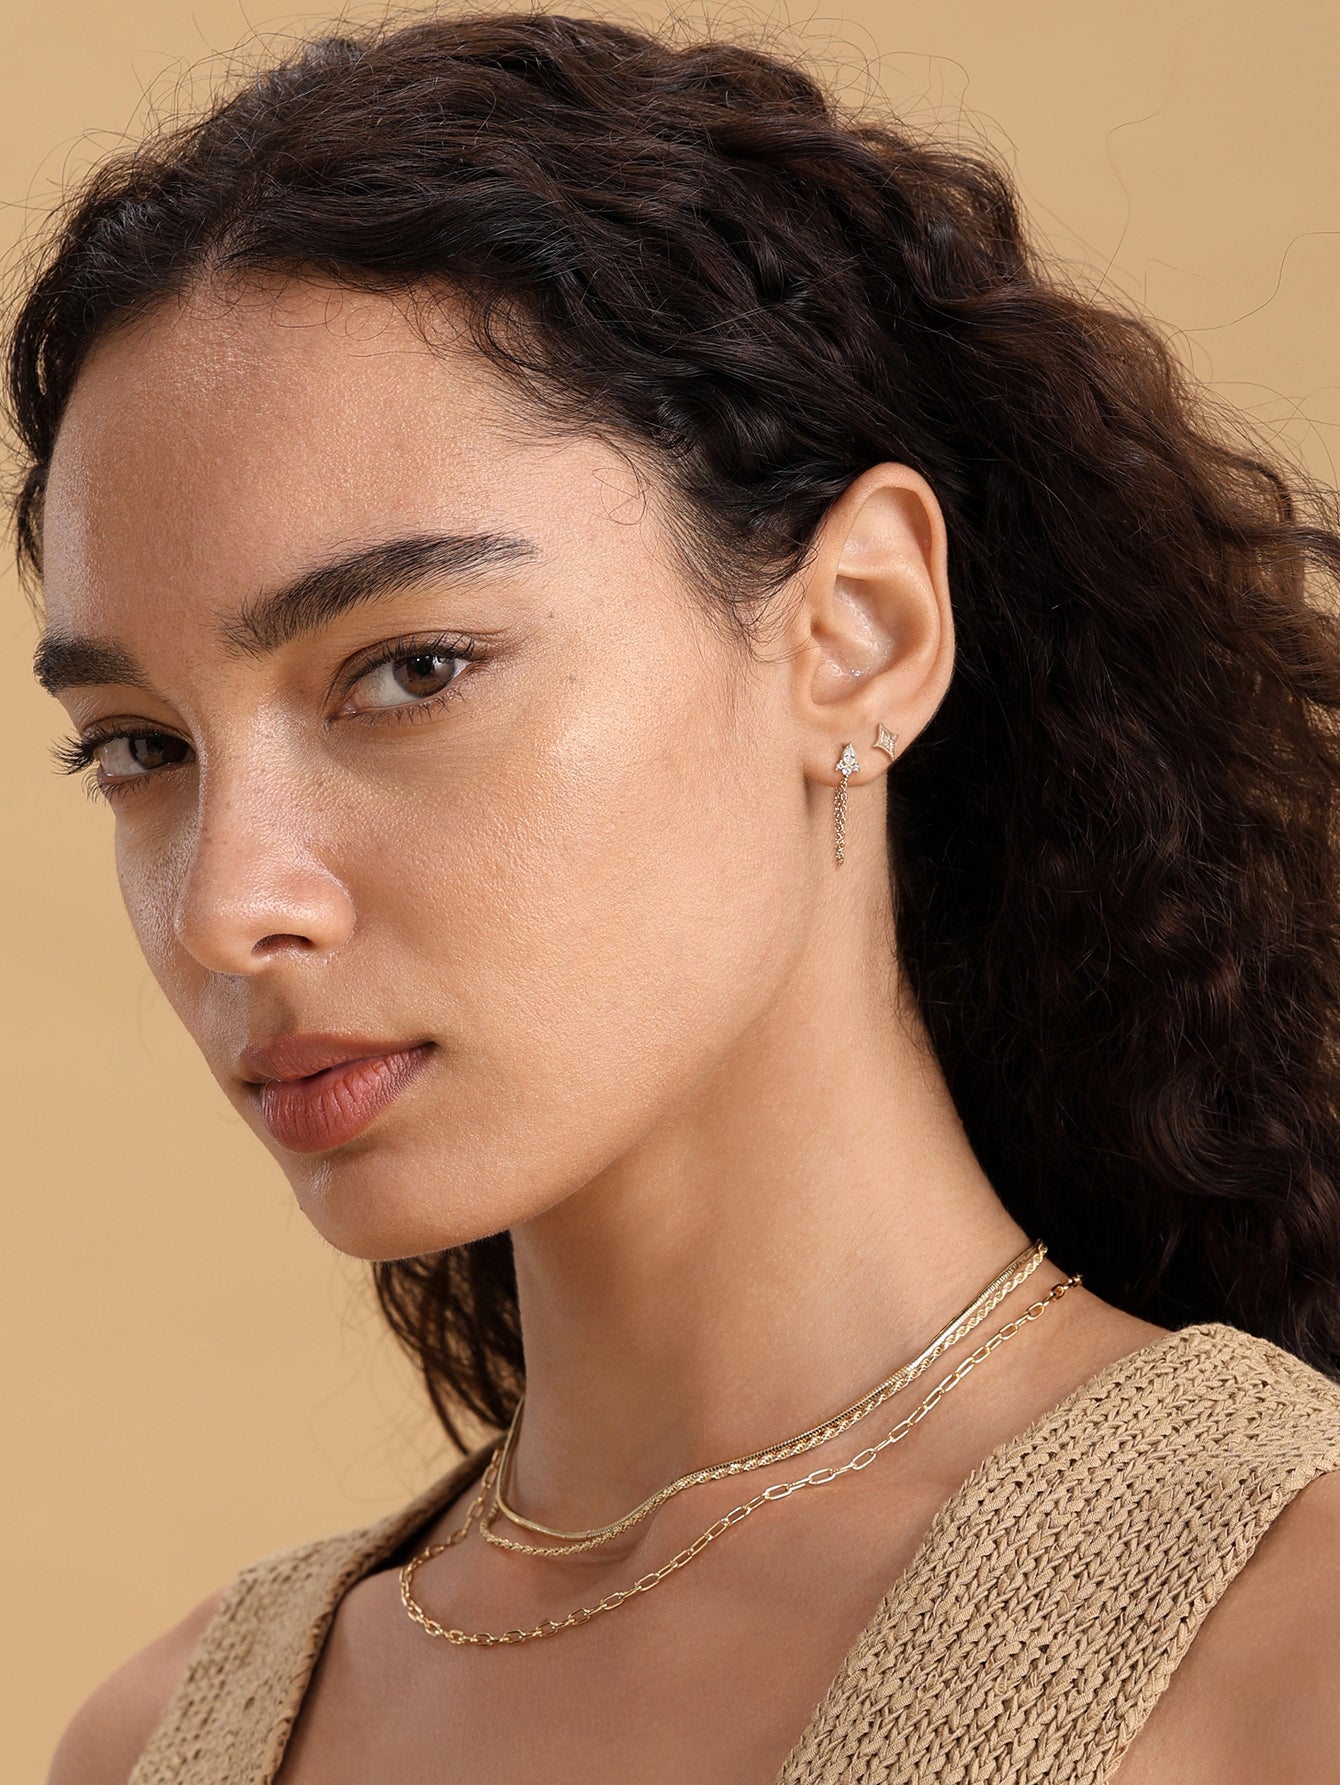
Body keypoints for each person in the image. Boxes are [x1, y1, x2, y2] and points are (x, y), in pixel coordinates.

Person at [12, 11, 1340, 1783]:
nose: (226, 905)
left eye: (410, 670)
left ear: (859, 631)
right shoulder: (167, 1738)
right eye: (140, 746)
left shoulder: (1290, 1644)